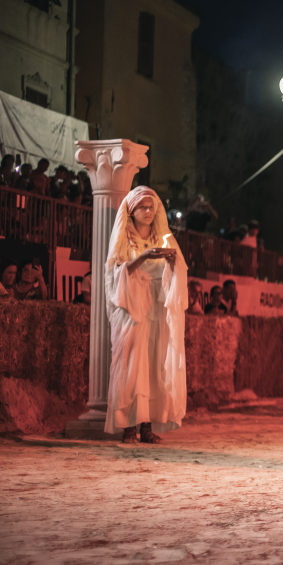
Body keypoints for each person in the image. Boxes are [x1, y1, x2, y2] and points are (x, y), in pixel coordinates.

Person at [104, 186, 188, 443]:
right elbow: (115, 272)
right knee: (131, 366)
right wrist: (143, 257)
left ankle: (147, 426)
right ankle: (128, 427)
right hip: (132, 309)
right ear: (132, 211)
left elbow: (179, 270)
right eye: (143, 207)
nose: (149, 211)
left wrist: (172, 263)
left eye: (152, 207)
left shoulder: (163, 237)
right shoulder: (123, 238)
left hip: (156, 308)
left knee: (154, 366)